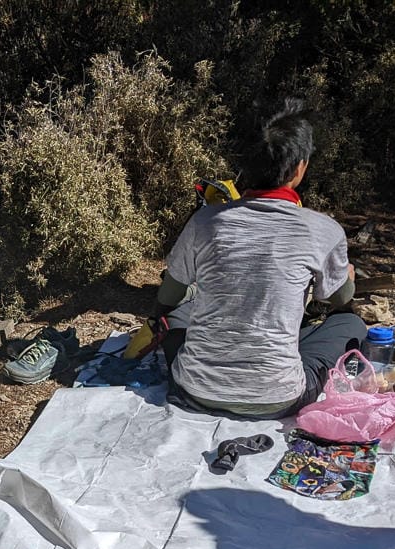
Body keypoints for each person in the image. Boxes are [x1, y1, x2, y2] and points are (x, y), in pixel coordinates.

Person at [156, 99, 367, 418]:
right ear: (300, 168)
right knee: (349, 323)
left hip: (194, 389)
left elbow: (168, 296)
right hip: (278, 399)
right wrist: (347, 277)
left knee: (179, 315)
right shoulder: (323, 230)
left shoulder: (205, 221)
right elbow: (339, 298)